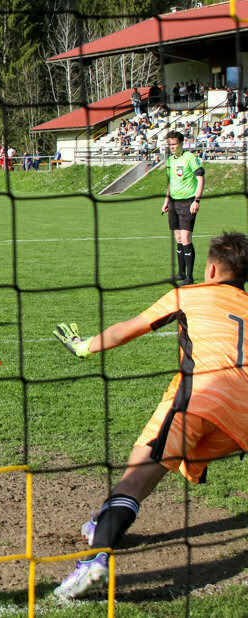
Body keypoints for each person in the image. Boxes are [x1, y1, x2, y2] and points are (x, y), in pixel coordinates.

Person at [52, 231, 248, 600]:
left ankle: (94, 563)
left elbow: (129, 329)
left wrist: (84, 347)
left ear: (209, 269)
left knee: (134, 479)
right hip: (242, 419)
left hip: (199, 397)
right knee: (156, 464)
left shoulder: (187, 295)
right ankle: (99, 524)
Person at [161, 130, 205, 285]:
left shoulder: (190, 158)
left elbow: (200, 179)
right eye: (169, 145)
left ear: (181, 143)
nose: (172, 147)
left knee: (186, 238)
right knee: (178, 238)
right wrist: (166, 201)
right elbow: (170, 182)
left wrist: (196, 200)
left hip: (188, 202)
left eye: (174, 144)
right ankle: (180, 273)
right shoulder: (170, 161)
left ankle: (190, 277)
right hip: (173, 202)